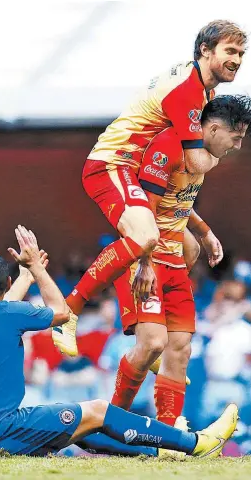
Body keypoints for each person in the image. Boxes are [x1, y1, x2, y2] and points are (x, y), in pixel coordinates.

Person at [0, 225, 238, 459]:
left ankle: (164, 452)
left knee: (82, 426)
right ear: (6, 285)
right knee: (97, 409)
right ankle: (198, 443)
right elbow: (60, 313)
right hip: (2, 431)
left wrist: (25, 277)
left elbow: (1, 311)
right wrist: (37, 269)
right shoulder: (6, 313)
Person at [54, 20, 247, 356]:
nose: (237, 59)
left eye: (242, 53)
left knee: (187, 250)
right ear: (205, 50)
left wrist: (202, 229)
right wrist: (223, 151)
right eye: (230, 51)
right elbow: (197, 163)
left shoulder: (205, 92)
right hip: (112, 165)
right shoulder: (188, 91)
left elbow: (185, 177)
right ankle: (67, 312)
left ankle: (145, 332)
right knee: (144, 239)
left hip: (136, 171)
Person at [110, 95, 251, 426]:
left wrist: (205, 232)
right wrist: (143, 261)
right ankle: (111, 421)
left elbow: (177, 203)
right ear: (214, 128)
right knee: (153, 344)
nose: (238, 145)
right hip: (145, 256)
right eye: (236, 137)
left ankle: (169, 428)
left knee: (180, 347)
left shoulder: (200, 158)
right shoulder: (170, 148)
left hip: (172, 258)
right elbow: (145, 206)